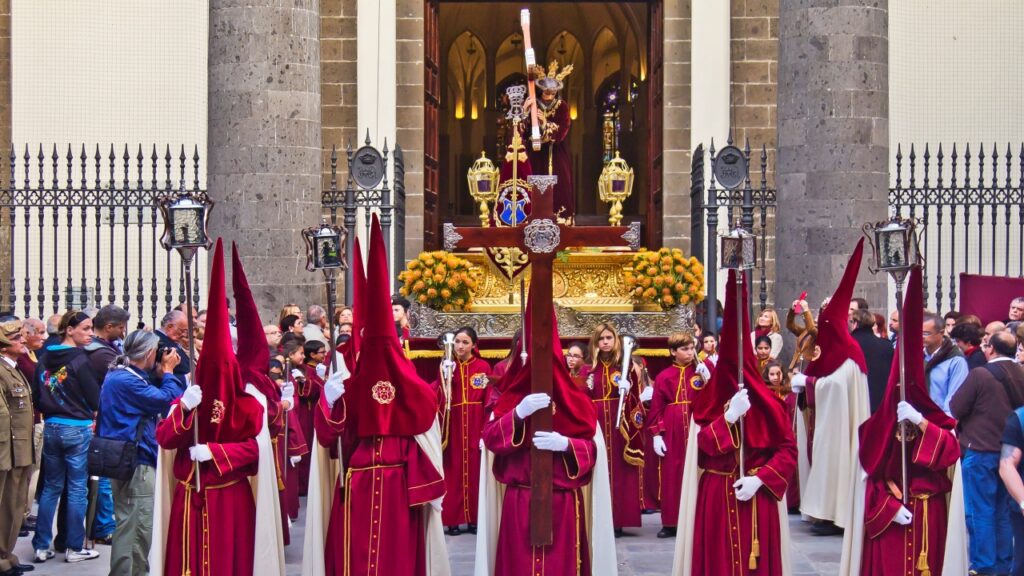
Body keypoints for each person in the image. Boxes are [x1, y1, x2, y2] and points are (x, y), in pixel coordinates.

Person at [308, 215, 446, 576]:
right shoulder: (351, 384)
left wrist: (427, 487)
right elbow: (329, 438)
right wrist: (330, 400)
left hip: (399, 488)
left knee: (395, 558)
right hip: (357, 483)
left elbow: (425, 428)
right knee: (356, 555)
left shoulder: (412, 387)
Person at [151, 239, 277, 576]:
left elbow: (256, 450)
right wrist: (183, 409)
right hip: (190, 494)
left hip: (229, 497)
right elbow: (164, 438)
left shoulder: (248, 404)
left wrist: (216, 452)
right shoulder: (188, 398)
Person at [478, 289, 613, 576]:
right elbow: (491, 439)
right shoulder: (510, 399)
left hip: (562, 501)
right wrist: (518, 413)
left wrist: (566, 444)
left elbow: (592, 451)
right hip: (520, 500)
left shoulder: (576, 401)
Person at [672, 270, 797, 576]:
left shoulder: (770, 404)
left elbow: (787, 450)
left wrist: (761, 479)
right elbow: (701, 447)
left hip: (757, 495)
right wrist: (727, 418)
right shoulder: (708, 401)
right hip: (716, 493)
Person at [859, 266, 963, 576]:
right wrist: (888, 507)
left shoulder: (935, 412)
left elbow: (949, 451)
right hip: (895, 506)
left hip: (929, 507)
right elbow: (869, 469)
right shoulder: (880, 421)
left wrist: (921, 422)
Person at [789, 240, 870, 574]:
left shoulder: (849, 356)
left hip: (841, 428)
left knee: (836, 460)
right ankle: (822, 511)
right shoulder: (833, 351)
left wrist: (807, 383)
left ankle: (835, 514)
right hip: (825, 421)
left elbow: (836, 387)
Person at [97, 330, 184, 576]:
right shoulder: (126, 380)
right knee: (136, 526)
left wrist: (160, 374)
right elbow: (167, 399)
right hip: (136, 460)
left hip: (128, 457)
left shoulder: (122, 375)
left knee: (132, 521)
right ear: (148, 353)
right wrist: (168, 373)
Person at [950, 329, 1024, 575]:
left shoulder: (980, 374)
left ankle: (984, 566)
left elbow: (956, 407)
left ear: (991, 349)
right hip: (1012, 452)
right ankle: (1003, 564)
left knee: (980, 511)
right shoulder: (1021, 373)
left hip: (981, 450)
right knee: (1003, 512)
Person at [30, 310, 100, 563]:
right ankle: (74, 547)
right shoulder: (80, 359)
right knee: (77, 488)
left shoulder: (44, 357)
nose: (91, 333)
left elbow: (37, 395)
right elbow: (95, 398)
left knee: (51, 488)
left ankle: (41, 546)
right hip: (77, 427)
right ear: (69, 330)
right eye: (85, 328)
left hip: (52, 425)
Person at [584, 322, 645, 536]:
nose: (605, 342)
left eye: (609, 338)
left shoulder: (624, 367)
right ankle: (598, 519)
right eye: (601, 338)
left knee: (620, 470)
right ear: (595, 342)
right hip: (596, 421)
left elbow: (636, 400)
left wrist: (628, 391)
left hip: (620, 424)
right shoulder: (588, 369)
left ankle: (618, 519)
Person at [647, 332, 710, 538]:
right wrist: (657, 434)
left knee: (698, 472)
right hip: (673, 430)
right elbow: (656, 408)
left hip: (696, 427)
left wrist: (709, 378)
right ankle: (671, 522)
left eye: (692, 348)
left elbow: (715, 398)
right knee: (672, 475)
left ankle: (698, 519)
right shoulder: (664, 376)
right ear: (673, 352)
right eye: (685, 349)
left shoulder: (701, 371)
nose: (690, 352)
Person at [434, 326, 490, 535]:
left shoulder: (483, 366)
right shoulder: (447, 365)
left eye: (465, 342)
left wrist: (486, 429)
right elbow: (440, 397)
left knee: (475, 471)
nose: (460, 346)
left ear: (474, 345)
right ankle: (453, 519)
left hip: (475, 422)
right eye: (457, 341)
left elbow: (488, 398)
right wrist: (445, 376)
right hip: (454, 424)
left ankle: (475, 518)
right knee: (454, 469)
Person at [83, 304, 130, 544]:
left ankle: (101, 525)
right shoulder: (101, 353)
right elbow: (126, 377)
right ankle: (103, 527)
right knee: (102, 475)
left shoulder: (104, 349)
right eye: (121, 327)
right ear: (109, 326)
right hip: (101, 419)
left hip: (102, 417)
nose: (123, 332)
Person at [0, 318, 36, 576]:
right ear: (3, 347)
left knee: (15, 504)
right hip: (9, 450)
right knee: (6, 505)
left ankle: (7, 554)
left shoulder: (12, 368)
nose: (23, 341)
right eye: (16, 339)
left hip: (20, 449)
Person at [523, 60, 575, 219]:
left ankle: (560, 221)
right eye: (546, 93)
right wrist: (525, 113)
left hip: (555, 155)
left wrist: (545, 123)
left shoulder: (562, 106)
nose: (549, 97)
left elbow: (562, 131)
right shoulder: (533, 103)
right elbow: (522, 132)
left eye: (552, 94)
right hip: (535, 154)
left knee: (560, 187)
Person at [923, 311, 969, 416]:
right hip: (917, 417)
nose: (921, 336)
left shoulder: (955, 360)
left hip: (941, 418)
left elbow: (955, 397)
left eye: (926, 333)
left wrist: (944, 420)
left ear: (941, 333)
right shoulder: (918, 355)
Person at [849, 308, 895, 413]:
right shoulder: (886, 345)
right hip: (880, 404)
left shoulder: (848, 345)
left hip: (855, 403)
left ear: (855, 323)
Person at [295, 339, 326, 495]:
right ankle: (304, 486)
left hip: (316, 411)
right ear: (312, 354)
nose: (325, 355)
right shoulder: (304, 369)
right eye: (322, 352)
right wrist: (317, 381)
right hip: (306, 413)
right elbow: (308, 391)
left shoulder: (319, 368)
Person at [154, 310, 191, 387]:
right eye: (181, 331)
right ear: (170, 327)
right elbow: (158, 374)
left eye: (186, 331)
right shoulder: (158, 341)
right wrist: (186, 378)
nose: (184, 335)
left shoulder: (168, 340)